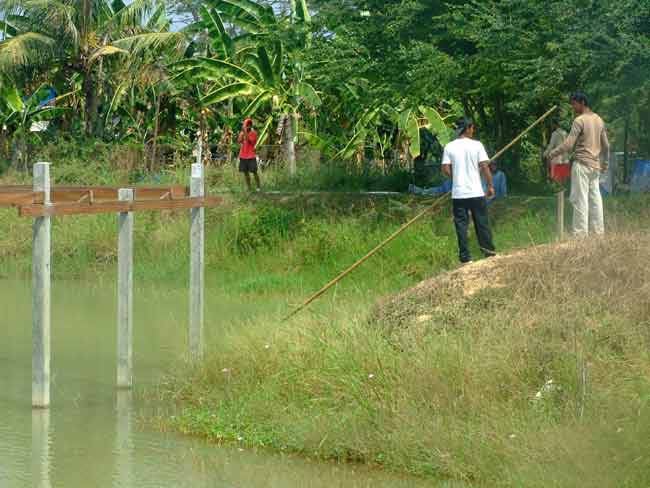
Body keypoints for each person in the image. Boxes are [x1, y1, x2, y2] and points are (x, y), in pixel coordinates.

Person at [547, 92, 610, 236]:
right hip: (595, 166)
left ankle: (581, 235)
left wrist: (552, 153)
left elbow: (568, 145)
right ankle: (598, 233)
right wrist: (606, 162)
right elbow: (606, 145)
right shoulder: (599, 120)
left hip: (581, 164)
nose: (572, 107)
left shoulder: (579, 120)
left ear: (582, 102)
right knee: (595, 199)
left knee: (580, 199)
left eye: (573, 104)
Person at [442, 118, 497, 264]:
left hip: (459, 194)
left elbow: (446, 169)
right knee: (482, 223)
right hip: (476, 193)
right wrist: (490, 186)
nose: (473, 130)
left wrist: (458, 177)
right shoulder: (477, 145)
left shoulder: (449, 147)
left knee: (461, 225)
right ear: (467, 128)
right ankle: (489, 253)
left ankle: (465, 258)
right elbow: (485, 167)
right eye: (472, 128)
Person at [544, 119, 570, 184]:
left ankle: (559, 193)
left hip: (557, 160)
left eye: (552, 125)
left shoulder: (555, 134)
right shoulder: (565, 133)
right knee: (563, 180)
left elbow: (551, 146)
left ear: (555, 125)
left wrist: (545, 153)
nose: (552, 126)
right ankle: (562, 193)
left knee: (557, 179)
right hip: (565, 159)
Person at [238, 118, 261, 191]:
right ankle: (249, 188)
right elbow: (239, 141)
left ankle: (258, 187)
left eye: (248, 125)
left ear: (250, 126)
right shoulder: (242, 133)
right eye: (245, 125)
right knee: (245, 173)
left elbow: (251, 141)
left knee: (254, 172)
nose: (246, 126)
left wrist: (245, 133)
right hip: (243, 155)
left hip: (251, 155)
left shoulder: (253, 133)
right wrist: (242, 133)